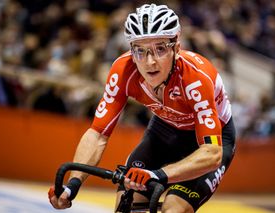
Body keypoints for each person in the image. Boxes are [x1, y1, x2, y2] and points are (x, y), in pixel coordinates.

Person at [48, 3, 236, 213]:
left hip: (210, 141)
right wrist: (72, 186)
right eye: (140, 50)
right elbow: (98, 133)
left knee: (173, 209)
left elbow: (212, 153)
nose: (150, 62)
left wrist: (160, 175)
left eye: (160, 49)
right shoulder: (123, 71)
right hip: (163, 131)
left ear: (176, 47)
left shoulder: (196, 80)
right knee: (125, 206)